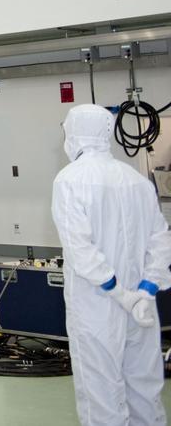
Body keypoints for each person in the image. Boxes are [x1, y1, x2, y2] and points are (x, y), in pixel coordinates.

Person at [51, 103, 171, 425]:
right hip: (141, 306)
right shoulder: (135, 179)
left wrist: (121, 294)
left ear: (75, 133)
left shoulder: (69, 180)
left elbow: (80, 250)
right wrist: (145, 291)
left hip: (97, 305)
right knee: (144, 389)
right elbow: (161, 240)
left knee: (100, 393)